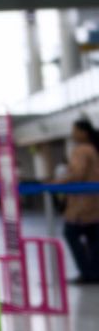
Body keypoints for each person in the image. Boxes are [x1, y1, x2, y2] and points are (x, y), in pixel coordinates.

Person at [63, 117, 99, 284]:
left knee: (71, 232)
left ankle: (87, 271)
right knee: (93, 237)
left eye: (75, 130)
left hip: (82, 204)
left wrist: (58, 182)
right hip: (94, 202)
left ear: (83, 133)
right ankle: (93, 271)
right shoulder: (93, 148)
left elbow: (78, 174)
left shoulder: (82, 150)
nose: (73, 134)